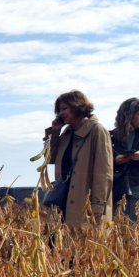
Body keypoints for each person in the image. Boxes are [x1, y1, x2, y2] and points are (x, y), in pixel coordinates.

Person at [44, 90, 112, 227]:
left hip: (84, 201)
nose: (60, 113)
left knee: (82, 243)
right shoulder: (67, 133)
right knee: (59, 244)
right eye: (59, 110)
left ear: (77, 106)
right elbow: (50, 159)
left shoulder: (96, 131)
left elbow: (103, 172)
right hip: (62, 200)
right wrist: (55, 133)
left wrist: (98, 205)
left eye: (64, 109)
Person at [110, 98, 139, 221]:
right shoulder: (109, 137)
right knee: (116, 236)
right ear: (128, 115)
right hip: (117, 191)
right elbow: (98, 164)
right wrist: (115, 160)